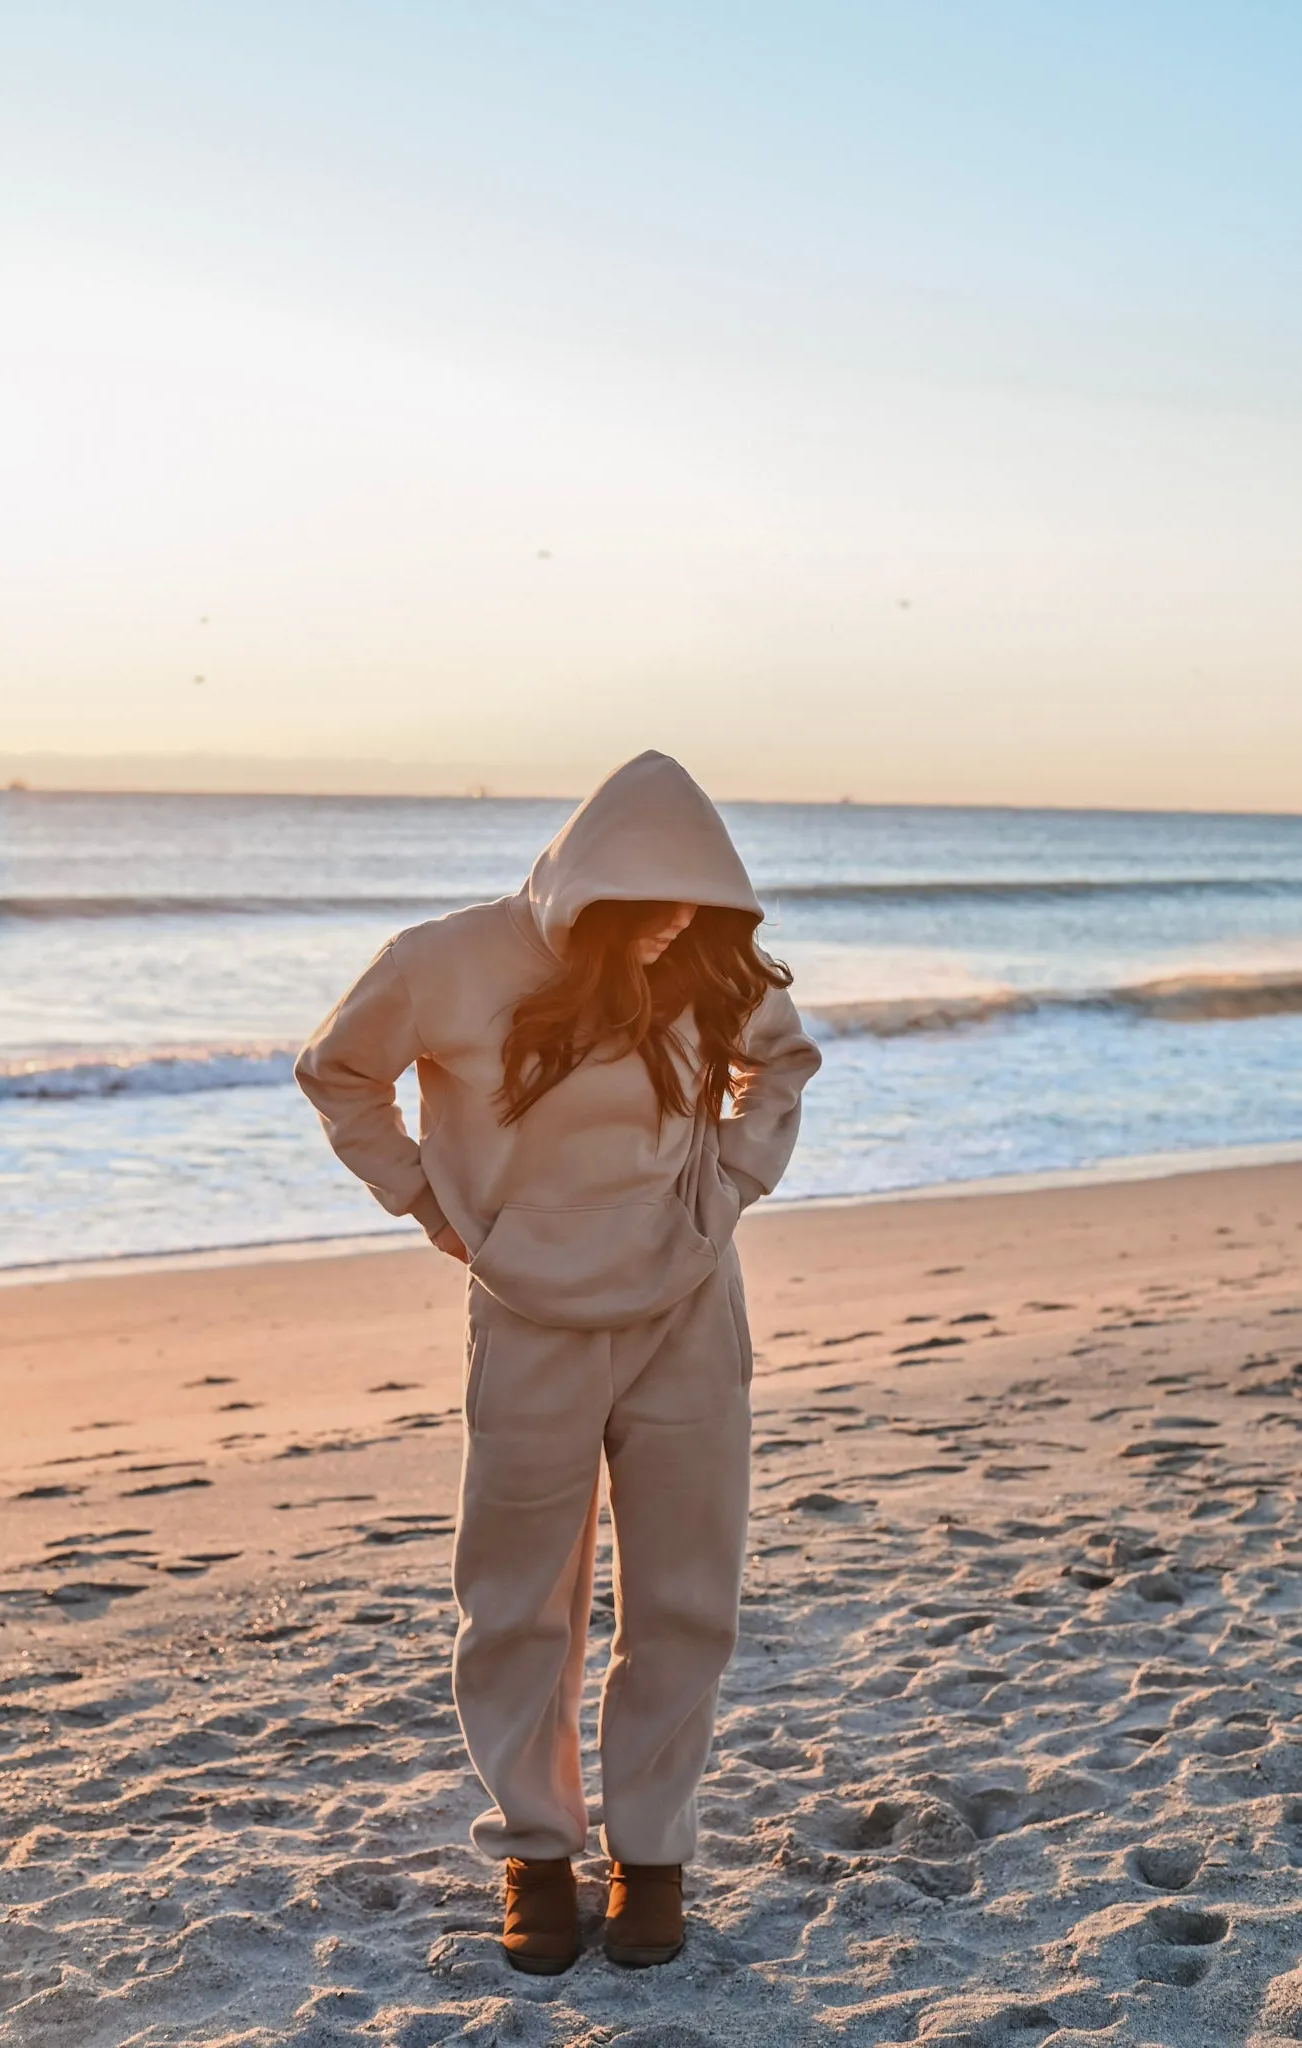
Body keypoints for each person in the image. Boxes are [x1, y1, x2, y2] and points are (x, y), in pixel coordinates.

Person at [295, 750, 821, 1974]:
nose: (681, 926)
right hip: (527, 1313)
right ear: (593, 890)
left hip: (688, 1304)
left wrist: (732, 1182)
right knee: (516, 1599)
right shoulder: (445, 960)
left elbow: (781, 1064)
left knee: (686, 1594)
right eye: (658, 907)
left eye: (701, 904)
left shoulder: (701, 958)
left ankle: (652, 1853)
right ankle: (536, 1853)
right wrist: (431, 1205)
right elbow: (338, 1070)